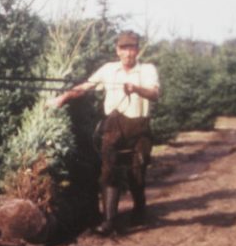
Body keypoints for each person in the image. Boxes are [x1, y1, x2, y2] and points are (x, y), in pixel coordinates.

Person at [50, 31, 160, 235]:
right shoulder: (108, 70)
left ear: (137, 50)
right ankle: (109, 221)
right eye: (124, 48)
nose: (128, 53)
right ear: (118, 50)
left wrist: (136, 89)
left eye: (132, 48)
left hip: (139, 127)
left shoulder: (147, 70)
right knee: (109, 170)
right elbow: (85, 87)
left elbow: (154, 94)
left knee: (137, 172)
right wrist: (63, 98)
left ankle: (139, 209)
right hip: (113, 126)